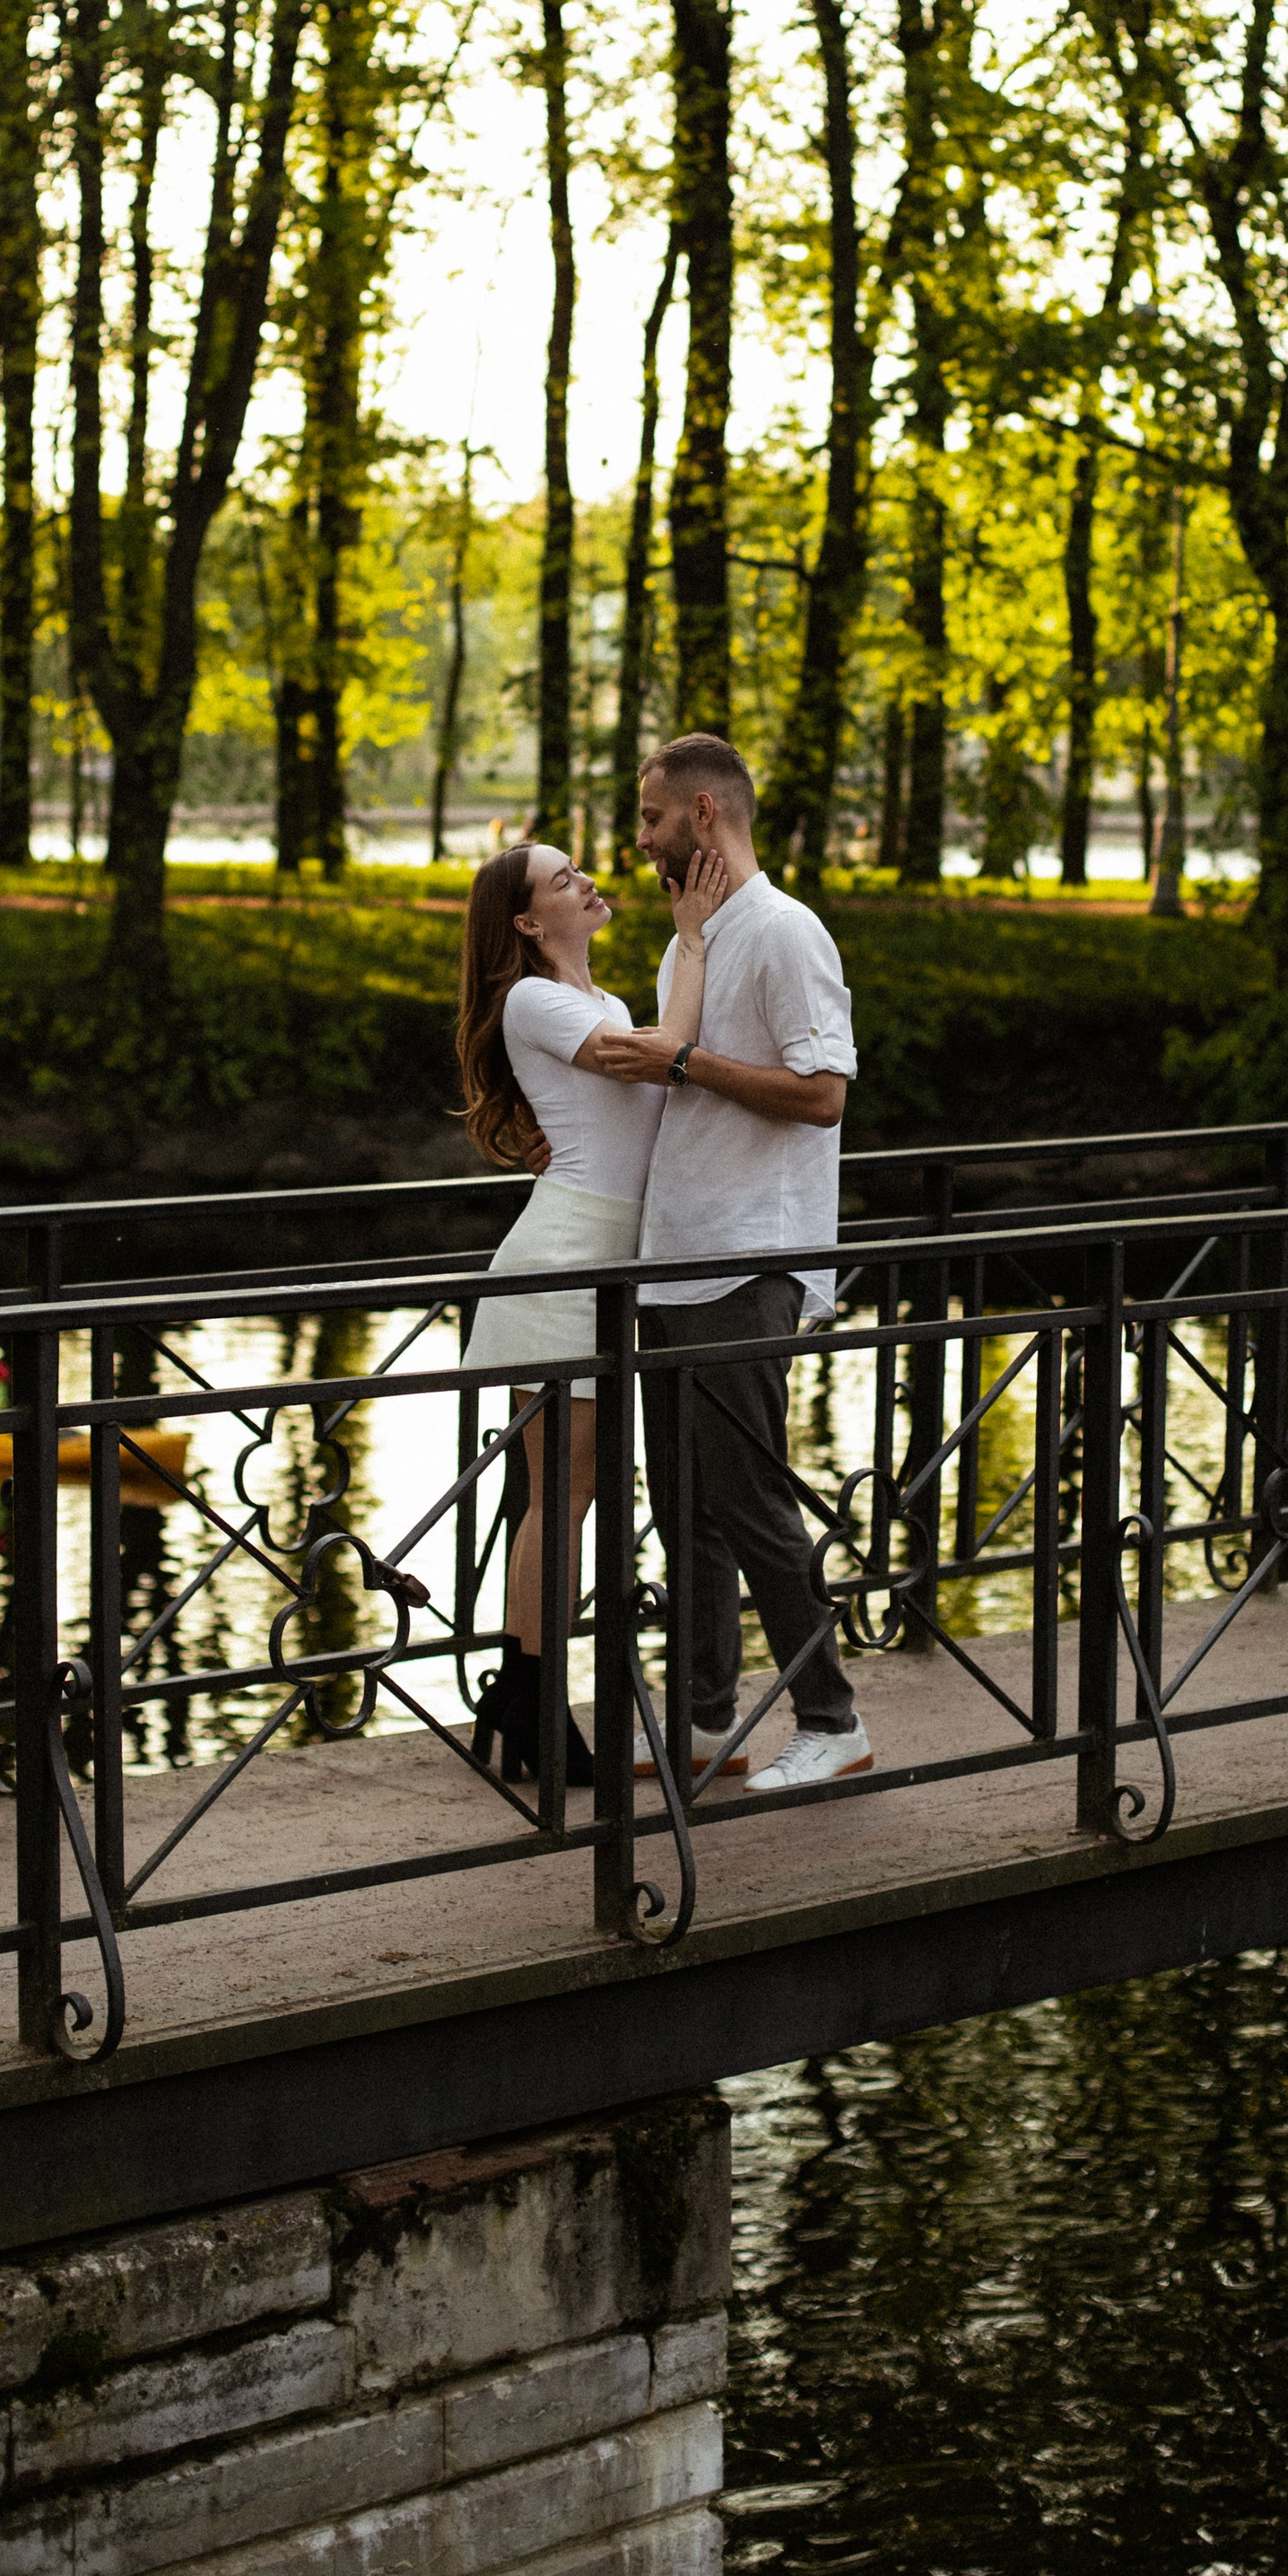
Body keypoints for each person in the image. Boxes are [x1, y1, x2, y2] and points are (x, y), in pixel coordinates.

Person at [591, 731, 871, 1796]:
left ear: (703, 813)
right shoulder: (693, 939)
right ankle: (707, 1722)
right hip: (675, 1260)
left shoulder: (786, 932)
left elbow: (823, 1094)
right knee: (685, 1511)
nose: (641, 837)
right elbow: (681, 1077)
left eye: (651, 815)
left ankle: (833, 1721)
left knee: (750, 1501)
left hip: (749, 1260)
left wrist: (682, 1059)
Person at [456, 834, 726, 1783]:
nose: (587, 880)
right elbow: (663, 1062)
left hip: (605, 1262)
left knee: (572, 1498)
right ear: (529, 922)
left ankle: (520, 1700)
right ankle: (534, 1708)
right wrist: (692, 937)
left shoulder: (596, 1000)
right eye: (563, 879)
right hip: (563, 1262)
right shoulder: (533, 998)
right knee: (560, 1500)